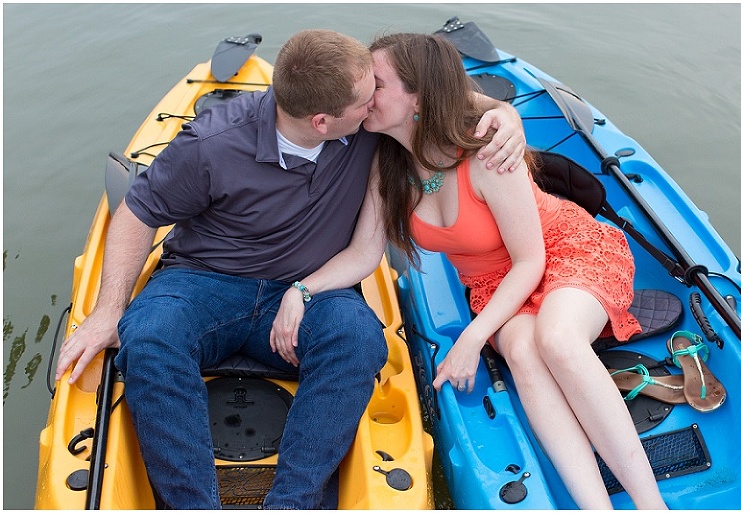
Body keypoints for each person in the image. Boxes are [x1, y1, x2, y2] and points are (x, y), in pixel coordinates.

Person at [54, 29, 526, 509]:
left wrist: (506, 115)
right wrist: (108, 310)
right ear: (322, 121)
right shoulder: (213, 144)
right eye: (365, 100)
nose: (373, 105)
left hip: (313, 287)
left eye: (375, 92)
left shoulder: (368, 127)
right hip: (202, 282)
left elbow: (432, 93)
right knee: (149, 334)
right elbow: (138, 212)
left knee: (358, 339)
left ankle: (292, 503)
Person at [353, 32, 668, 509]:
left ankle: (651, 505)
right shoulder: (388, 164)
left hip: (563, 248)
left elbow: (531, 259)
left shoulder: (487, 151)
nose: (362, 94)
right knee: (522, 350)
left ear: (417, 96)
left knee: (557, 340)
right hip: (491, 283)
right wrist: (300, 290)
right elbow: (361, 255)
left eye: (374, 83)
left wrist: (471, 340)